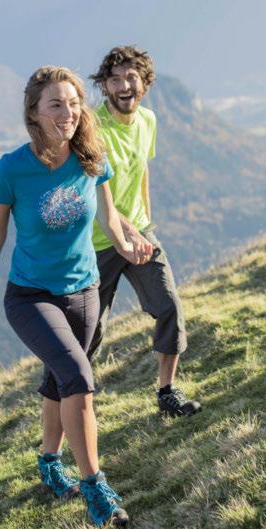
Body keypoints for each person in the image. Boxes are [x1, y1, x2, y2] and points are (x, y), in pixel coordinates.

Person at [0, 65, 150, 528]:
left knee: (59, 382)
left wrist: (129, 246)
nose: (68, 112)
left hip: (85, 290)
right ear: (34, 112)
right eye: (55, 104)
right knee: (79, 381)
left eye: (73, 103)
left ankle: (50, 463)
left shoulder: (91, 155)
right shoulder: (12, 170)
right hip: (31, 297)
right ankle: (97, 492)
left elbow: (109, 219)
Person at [38, 46, 202, 443]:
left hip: (140, 233)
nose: (124, 85)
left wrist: (144, 222)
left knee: (169, 307)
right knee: (84, 337)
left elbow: (141, 168)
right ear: (104, 86)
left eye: (132, 77)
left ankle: (166, 392)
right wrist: (125, 231)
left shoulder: (147, 120)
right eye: (115, 79)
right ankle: (59, 424)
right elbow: (95, 190)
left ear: (145, 82)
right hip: (95, 245)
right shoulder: (92, 128)